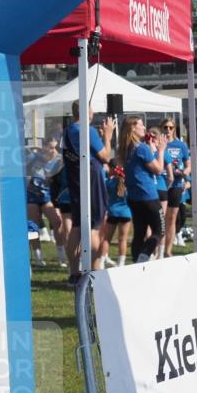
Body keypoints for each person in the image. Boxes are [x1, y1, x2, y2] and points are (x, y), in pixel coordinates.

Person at [61, 101, 114, 283]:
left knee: (77, 226)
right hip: (91, 181)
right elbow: (106, 156)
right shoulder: (87, 130)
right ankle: (93, 271)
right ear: (86, 112)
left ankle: (74, 272)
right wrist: (107, 136)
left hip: (77, 181)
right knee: (94, 226)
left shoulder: (68, 131)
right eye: (92, 110)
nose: (94, 114)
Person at [119, 116, 167, 263]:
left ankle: (136, 262)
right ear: (133, 128)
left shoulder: (124, 148)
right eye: (141, 125)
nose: (144, 128)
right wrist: (160, 151)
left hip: (134, 197)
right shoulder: (141, 148)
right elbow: (158, 169)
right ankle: (144, 256)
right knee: (160, 230)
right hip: (148, 196)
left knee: (139, 232)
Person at [26, 139, 66, 267]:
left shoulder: (58, 161)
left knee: (57, 222)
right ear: (44, 148)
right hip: (31, 197)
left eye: (55, 148)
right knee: (33, 227)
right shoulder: (34, 158)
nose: (53, 150)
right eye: (50, 147)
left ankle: (61, 256)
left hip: (47, 198)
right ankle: (38, 257)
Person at [160, 118, 191, 258]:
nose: (168, 130)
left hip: (177, 184)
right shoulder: (158, 143)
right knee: (161, 218)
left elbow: (188, 165)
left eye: (171, 127)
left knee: (172, 219)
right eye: (165, 127)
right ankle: (158, 250)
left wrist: (185, 172)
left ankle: (168, 250)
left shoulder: (181, 145)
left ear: (174, 129)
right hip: (161, 183)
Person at [99, 160, 132, 267]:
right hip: (126, 213)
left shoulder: (109, 182)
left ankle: (101, 261)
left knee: (106, 239)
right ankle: (121, 263)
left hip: (112, 212)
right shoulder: (128, 182)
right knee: (123, 239)